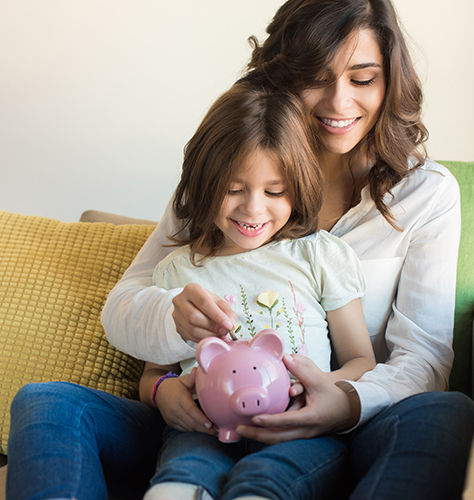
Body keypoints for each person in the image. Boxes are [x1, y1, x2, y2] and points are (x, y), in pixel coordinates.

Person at [7, 0, 474, 499]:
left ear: (390, 82)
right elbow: (127, 304)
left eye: (362, 79)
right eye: (316, 76)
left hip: (349, 429)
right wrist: (168, 353)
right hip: (200, 428)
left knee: (447, 413)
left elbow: (423, 358)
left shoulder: (426, 195)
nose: (340, 103)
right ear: (281, 76)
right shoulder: (220, 181)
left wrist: (344, 402)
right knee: (46, 402)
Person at [138, 82, 376, 500]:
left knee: (267, 482)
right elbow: (154, 375)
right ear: (202, 182)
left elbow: (361, 359)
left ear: (298, 187)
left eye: (274, 191)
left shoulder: (318, 255)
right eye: (233, 189)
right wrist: (164, 393)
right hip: (205, 430)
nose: (253, 208)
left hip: (300, 428)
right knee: (183, 473)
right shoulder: (176, 271)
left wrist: (325, 388)